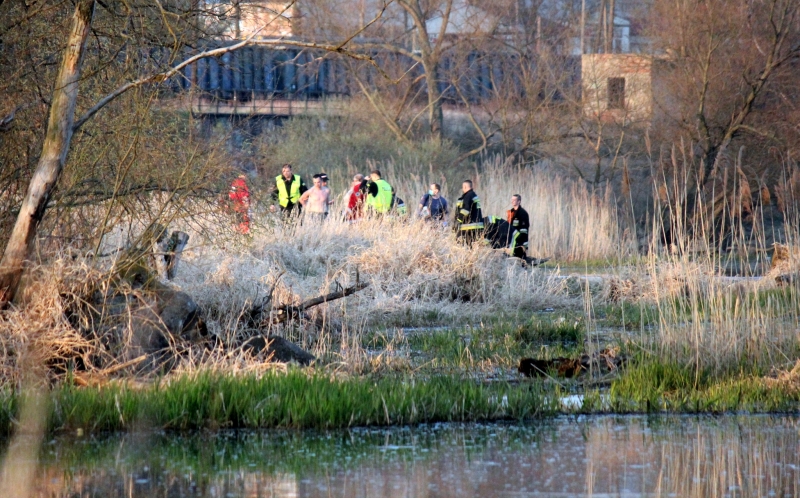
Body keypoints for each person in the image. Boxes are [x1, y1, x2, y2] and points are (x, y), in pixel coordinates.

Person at [454, 179, 484, 245]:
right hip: (476, 225)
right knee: (471, 245)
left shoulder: (468, 196)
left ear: (465, 187)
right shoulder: (473, 195)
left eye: (463, 187)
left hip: (469, 226)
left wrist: (458, 220)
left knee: (458, 242)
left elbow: (465, 210)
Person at [507, 194, 530, 259]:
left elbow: (524, 230)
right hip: (511, 239)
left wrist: (520, 241)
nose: (512, 201)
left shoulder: (523, 213)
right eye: (512, 200)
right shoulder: (510, 212)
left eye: (514, 200)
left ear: (519, 201)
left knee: (520, 258)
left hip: (519, 240)